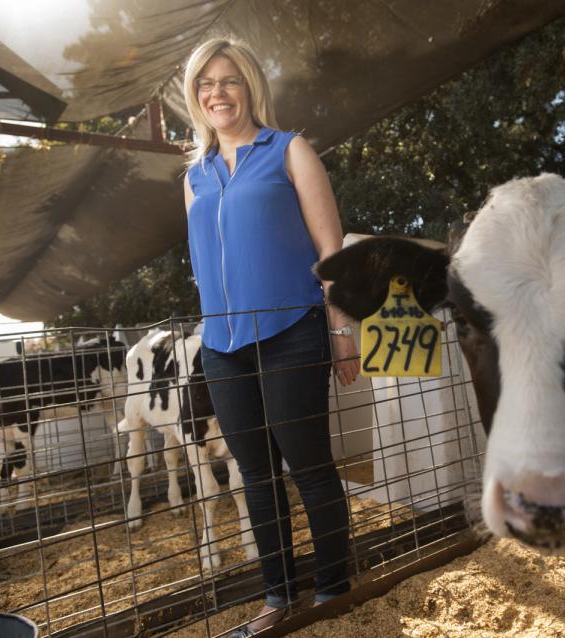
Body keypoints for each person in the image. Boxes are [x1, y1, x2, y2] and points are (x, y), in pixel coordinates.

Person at [181, 38, 360, 637]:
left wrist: (341, 330)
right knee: (254, 474)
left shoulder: (289, 151)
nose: (217, 93)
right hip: (222, 346)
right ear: (195, 96)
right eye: (206, 84)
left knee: (308, 464)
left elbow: (330, 252)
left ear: (250, 85)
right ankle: (278, 597)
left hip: (293, 332)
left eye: (228, 80)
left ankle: (335, 588)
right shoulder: (194, 177)